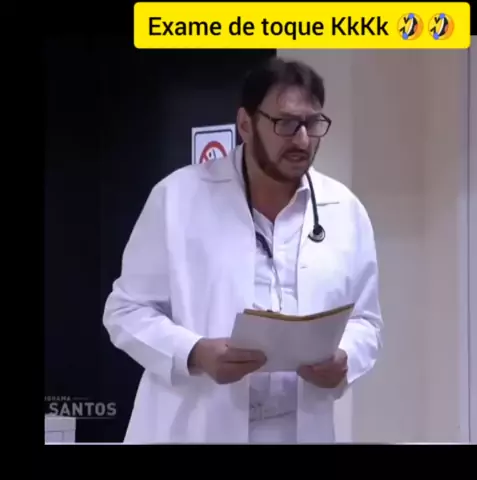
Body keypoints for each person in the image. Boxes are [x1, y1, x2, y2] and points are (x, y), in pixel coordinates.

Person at [102, 57, 383, 444]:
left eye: (312, 123)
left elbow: (366, 321)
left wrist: (346, 357)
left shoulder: (344, 210)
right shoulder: (178, 198)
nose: (302, 140)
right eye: (286, 123)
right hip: (194, 429)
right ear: (246, 124)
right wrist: (195, 353)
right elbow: (126, 310)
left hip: (296, 430)